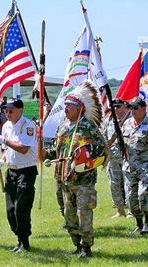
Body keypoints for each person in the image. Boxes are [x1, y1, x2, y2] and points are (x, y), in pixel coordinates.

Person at [54, 82, 106, 258]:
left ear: (80, 108)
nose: (66, 108)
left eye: (70, 106)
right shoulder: (62, 126)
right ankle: (76, 244)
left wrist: (84, 150)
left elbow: (102, 148)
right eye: (66, 105)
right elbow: (57, 149)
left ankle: (86, 247)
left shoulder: (88, 126)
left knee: (83, 212)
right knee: (69, 215)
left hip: (83, 179)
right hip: (65, 178)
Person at [0, 98, 38, 253]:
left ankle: (24, 242)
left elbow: (24, 148)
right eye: (6, 111)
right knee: (10, 210)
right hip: (11, 171)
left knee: (21, 209)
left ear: (20, 110)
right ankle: (19, 238)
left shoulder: (28, 126)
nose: (8, 113)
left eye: (11, 110)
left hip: (26, 171)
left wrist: (3, 140)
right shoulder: (6, 126)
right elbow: (8, 151)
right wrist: (1, 160)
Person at [122, 98, 148, 234]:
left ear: (143, 109)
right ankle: (139, 224)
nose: (132, 111)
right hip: (129, 167)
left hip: (146, 166)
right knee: (130, 198)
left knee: (143, 193)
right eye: (131, 108)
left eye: (135, 108)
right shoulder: (126, 124)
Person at [102, 98, 130, 218]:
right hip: (112, 157)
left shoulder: (130, 120)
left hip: (127, 157)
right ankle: (119, 209)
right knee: (114, 184)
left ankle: (131, 210)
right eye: (113, 107)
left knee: (128, 184)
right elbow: (104, 135)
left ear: (124, 106)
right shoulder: (109, 120)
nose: (115, 109)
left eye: (118, 106)